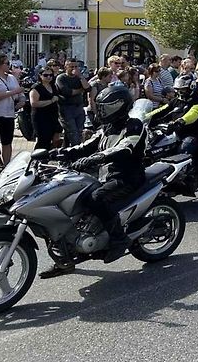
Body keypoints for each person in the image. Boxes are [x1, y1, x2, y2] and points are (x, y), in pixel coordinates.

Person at [41, 85, 146, 278]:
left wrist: (94, 159)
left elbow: (124, 148)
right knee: (67, 200)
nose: (102, 111)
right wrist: (60, 153)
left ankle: (118, 238)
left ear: (119, 106)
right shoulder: (107, 127)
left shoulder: (134, 125)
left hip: (127, 177)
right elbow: (86, 146)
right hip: (104, 175)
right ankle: (66, 256)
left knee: (96, 199)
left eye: (106, 107)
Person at [55, 59, 91, 146]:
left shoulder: (79, 78)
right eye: (71, 66)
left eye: (75, 66)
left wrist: (81, 77)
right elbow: (67, 92)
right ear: (65, 67)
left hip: (78, 107)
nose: (74, 68)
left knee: (78, 131)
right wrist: (81, 90)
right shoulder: (61, 78)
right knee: (73, 132)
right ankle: (76, 152)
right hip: (66, 108)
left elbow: (88, 88)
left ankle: (65, 151)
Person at [0, 53, 22, 165]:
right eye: (7, 63)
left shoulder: (11, 78)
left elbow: (19, 92)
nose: (9, 66)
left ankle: (6, 165)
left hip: (9, 114)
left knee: (7, 141)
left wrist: (22, 100)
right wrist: (13, 92)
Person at [29, 66, 63, 150]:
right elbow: (34, 103)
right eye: (45, 75)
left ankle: (50, 154)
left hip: (53, 116)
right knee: (43, 141)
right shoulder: (36, 87)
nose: (48, 77)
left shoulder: (53, 86)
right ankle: (37, 159)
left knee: (57, 134)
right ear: (40, 76)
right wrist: (51, 101)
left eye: (51, 75)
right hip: (41, 117)